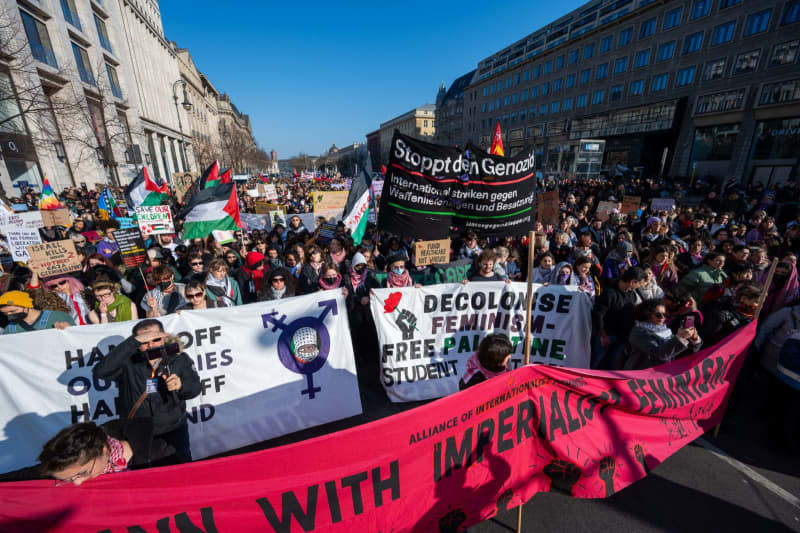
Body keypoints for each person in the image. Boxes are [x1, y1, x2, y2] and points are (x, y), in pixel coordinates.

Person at [92, 319, 201, 463]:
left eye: (155, 339)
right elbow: (100, 372)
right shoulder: (128, 361)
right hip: (136, 433)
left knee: (178, 475)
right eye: (144, 341)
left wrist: (181, 385)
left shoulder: (179, 358)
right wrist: (133, 342)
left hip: (171, 430)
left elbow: (195, 388)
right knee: (142, 478)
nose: (150, 345)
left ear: (163, 337)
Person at [0, 419, 175, 483]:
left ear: (103, 451)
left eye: (82, 473)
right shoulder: (63, 466)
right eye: (65, 480)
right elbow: (25, 475)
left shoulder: (161, 456)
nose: (76, 483)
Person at [591, 266, 648, 369]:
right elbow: (598, 315)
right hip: (606, 336)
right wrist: (603, 334)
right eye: (639, 283)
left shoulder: (632, 294)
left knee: (613, 365)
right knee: (596, 362)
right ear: (632, 282)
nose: (639, 286)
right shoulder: (609, 293)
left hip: (622, 337)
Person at [623, 299, 702, 370]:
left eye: (665, 315)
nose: (662, 318)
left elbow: (681, 354)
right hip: (639, 377)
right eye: (658, 315)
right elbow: (659, 354)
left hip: (661, 375)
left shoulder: (666, 331)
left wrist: (694, 339)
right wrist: (679, 337)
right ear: (647, 315)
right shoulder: (638, 332)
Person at [0, 290, 73, 334]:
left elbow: (78, 338)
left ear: (26, 306)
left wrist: (69, 330)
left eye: (13, 311)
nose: (9, 315)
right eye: (5, 313)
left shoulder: (57, 317)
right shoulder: (9, 329)